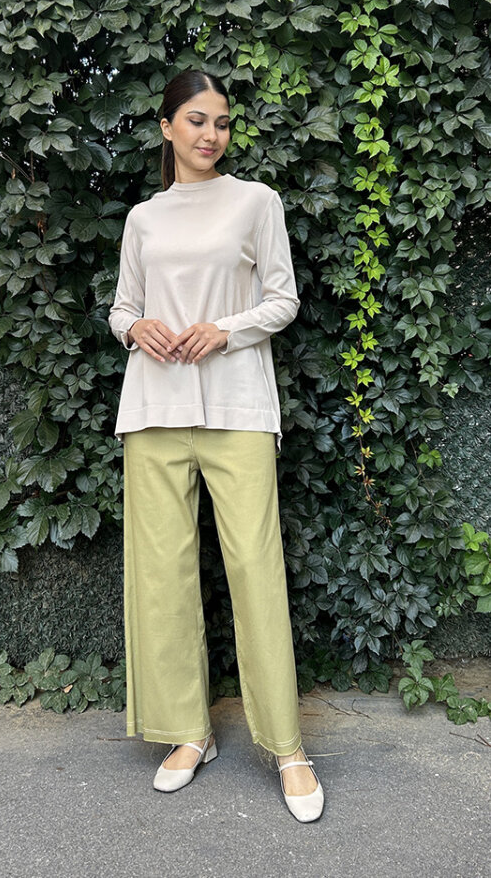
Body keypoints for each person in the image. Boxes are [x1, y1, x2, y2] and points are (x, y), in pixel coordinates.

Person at [108, 69, 324, 823]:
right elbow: (122, 307)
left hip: (237, 405)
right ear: (167, 127)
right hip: (154, 408)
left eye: (223, 122)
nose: (211, 134)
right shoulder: (143, 218)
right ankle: (187, 732)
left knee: (256, 568)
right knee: (162, 577)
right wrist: (135, 327)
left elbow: (283, 299)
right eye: (197, 119)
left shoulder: (256, 202)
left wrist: (223, 330)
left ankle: (288, 748)